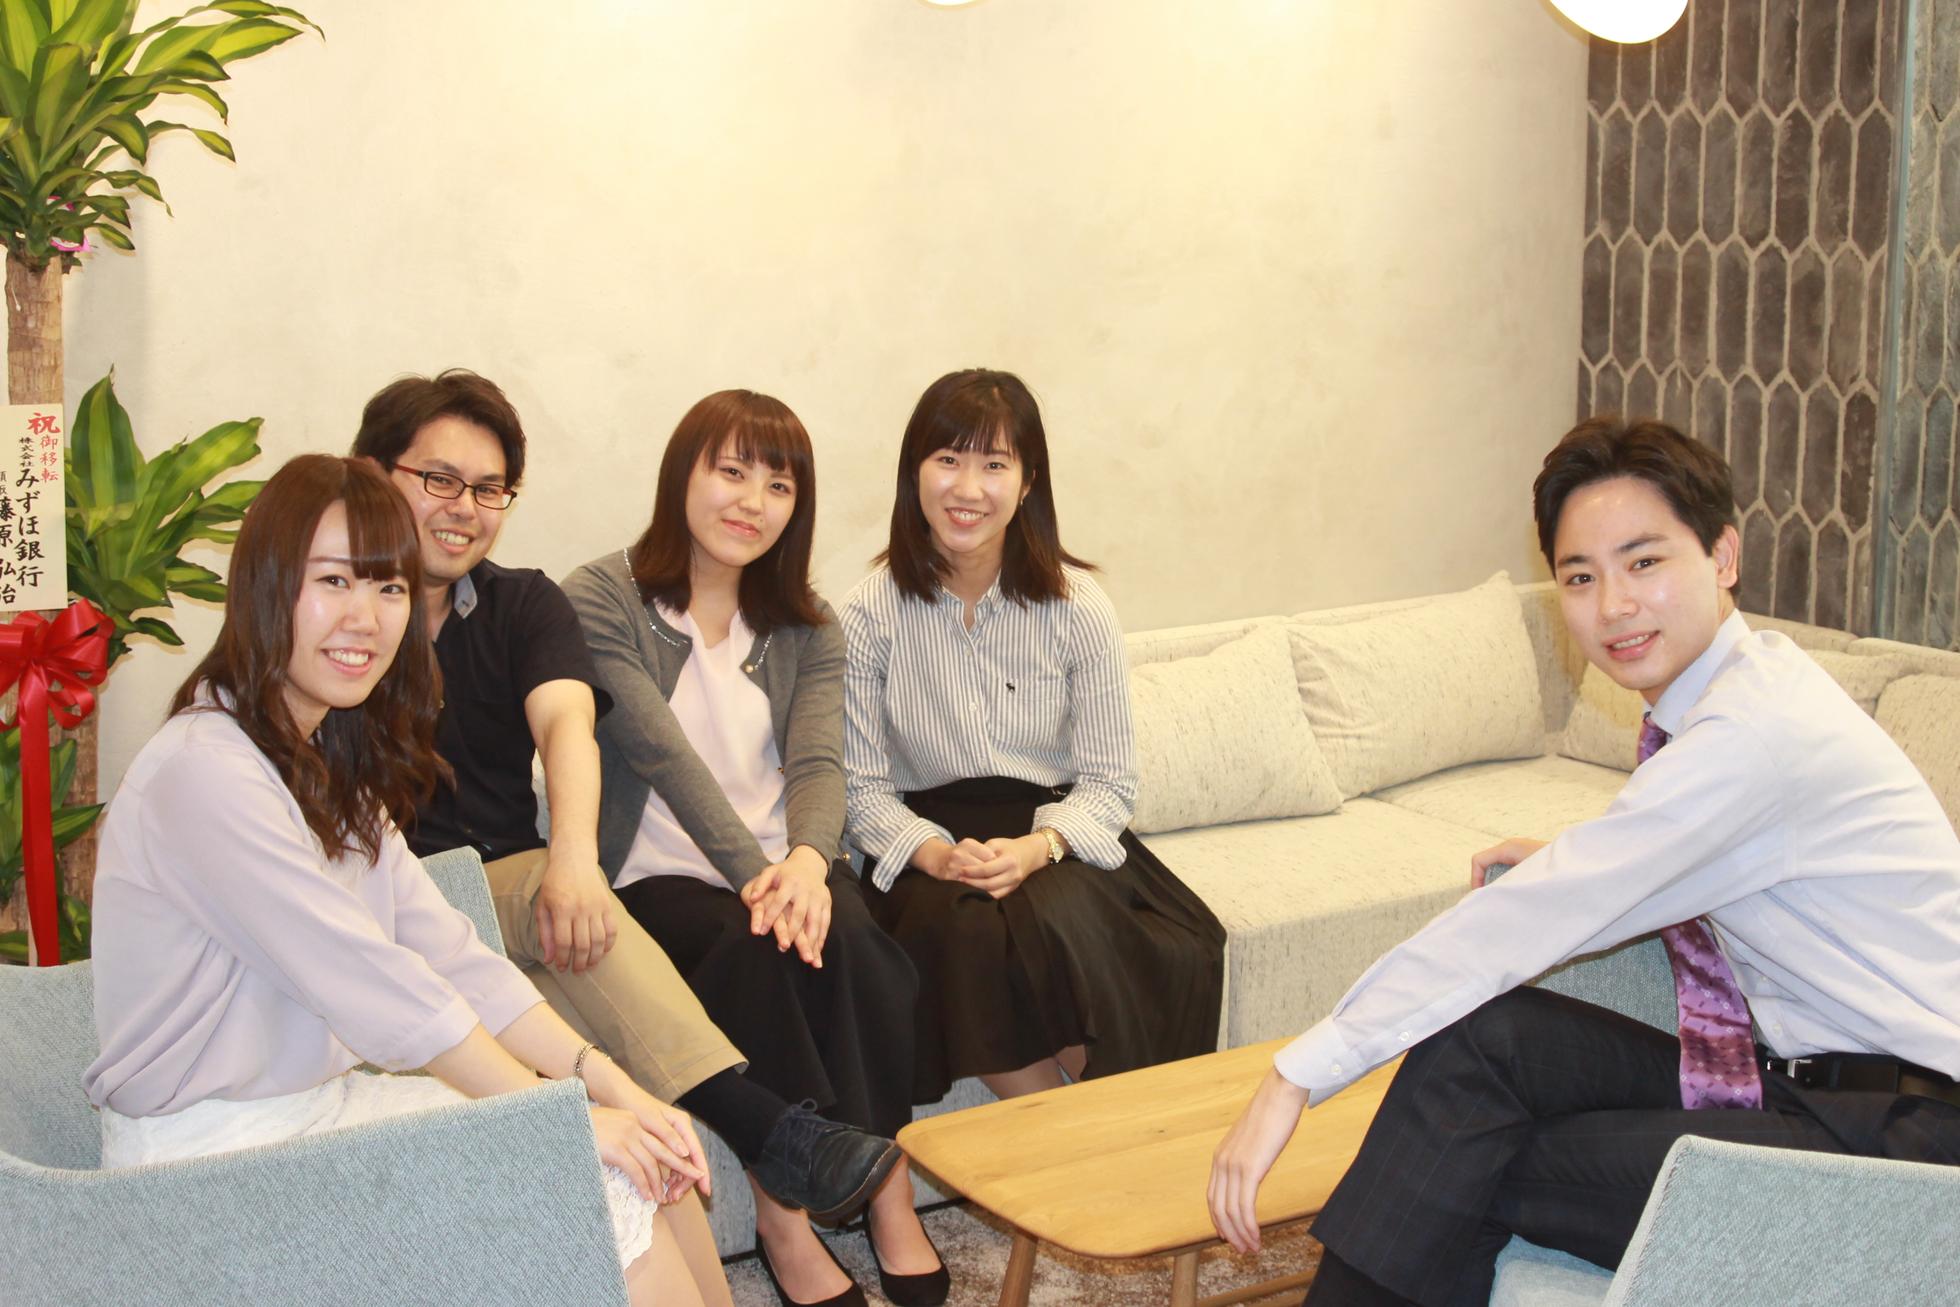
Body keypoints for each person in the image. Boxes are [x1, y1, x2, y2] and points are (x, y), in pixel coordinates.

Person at [1207, 417, 1960, 1307]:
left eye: (1644, 561)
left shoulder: (1752, 734)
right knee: (1484, 1043)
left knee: (1461, 1156)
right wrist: (1591, 864)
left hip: (1911, 1146)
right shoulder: (1743, 693)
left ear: (1723, 555)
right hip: (1813, 1089)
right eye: (1580, 576)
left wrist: (1297, 1073)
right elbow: (1684, 850)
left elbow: (1529, 919)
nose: (1613, 606)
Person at [82, 455, 731, 1307]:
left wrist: (610, 1083)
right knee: (584, 1180)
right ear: (267, 587)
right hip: (207, 1163)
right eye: (333, 580)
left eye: (389, 586)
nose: (365, 617)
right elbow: (378, 987)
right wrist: (559, 1120)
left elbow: (450, 954)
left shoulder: (326, 762)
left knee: (648, 1159)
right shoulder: (206, 768)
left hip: (315, 1113)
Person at [348, 370, 897, 1224]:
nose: (464, 507)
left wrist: (576, 862)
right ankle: (775, 1136)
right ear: (372, 474)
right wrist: (579, 870)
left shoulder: (521, 602)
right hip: (406, 895)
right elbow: (660, 751)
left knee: (836, 940)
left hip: (518, 891)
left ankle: (820, 1171)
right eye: (439, 479)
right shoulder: (337, 619)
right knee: (688, 936)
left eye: (488, 488)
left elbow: (568, 721)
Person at [563, 390, 940, 1307]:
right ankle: (786, 1221)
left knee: (862, 948)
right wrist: (761, 882)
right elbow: (663, 754)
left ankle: (888, 1189)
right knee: (755, 954)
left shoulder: (809, 623)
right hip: (660, 873)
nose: (752, 501)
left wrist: (808, 863)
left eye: (778, 485)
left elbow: (818, 761)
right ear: (682, 475)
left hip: (788, 862)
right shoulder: (600, 596)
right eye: (731, 471)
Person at [841, 368, 1226, 1105]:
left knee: (1104, 937)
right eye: (947, 459)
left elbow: (1109, 783)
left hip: (1051, 833)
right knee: (964, 934)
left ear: (1027, 484)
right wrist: (933, 852)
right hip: (933, 843)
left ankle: (1103, 1131)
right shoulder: (868, 614)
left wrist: (1036, 848)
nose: (968, 488)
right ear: (914, 472)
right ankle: (1085, 1135)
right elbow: (860, 788)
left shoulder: (1078, 606)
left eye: (994, 464)